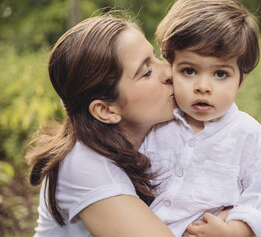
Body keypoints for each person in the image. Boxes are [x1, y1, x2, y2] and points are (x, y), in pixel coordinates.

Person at [25, 12, 178, 236]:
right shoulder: (83, 165)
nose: (169, 71)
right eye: (146, 72)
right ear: (106, 110)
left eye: (156, 56)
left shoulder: (160, 132)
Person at [140, 0, 261, 237]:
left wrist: (232, 231)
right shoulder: (155, 121)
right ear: (169, 68)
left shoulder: (247, 134)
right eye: (189, 70)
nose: (203, 86)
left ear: (240, 81)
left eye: (221, 74)